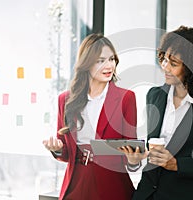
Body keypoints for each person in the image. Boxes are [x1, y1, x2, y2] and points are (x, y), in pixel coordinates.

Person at [127, 26, 193, 200]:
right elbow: (152, 148)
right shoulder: (154, 95)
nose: (165, 67)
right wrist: (135, 160)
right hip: (147, 194)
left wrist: (178, 165)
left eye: (173, 63)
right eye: (164, 59)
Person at [42, 33, 139, 200]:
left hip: (111, 185)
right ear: (86, 64)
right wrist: (57, 149)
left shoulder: (126, 98)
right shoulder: (65, 100)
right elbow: (66, 154)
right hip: (75, 184)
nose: (109, 66)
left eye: (112, 59)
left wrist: (133, 160)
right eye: (101, 61)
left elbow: (130, 150)